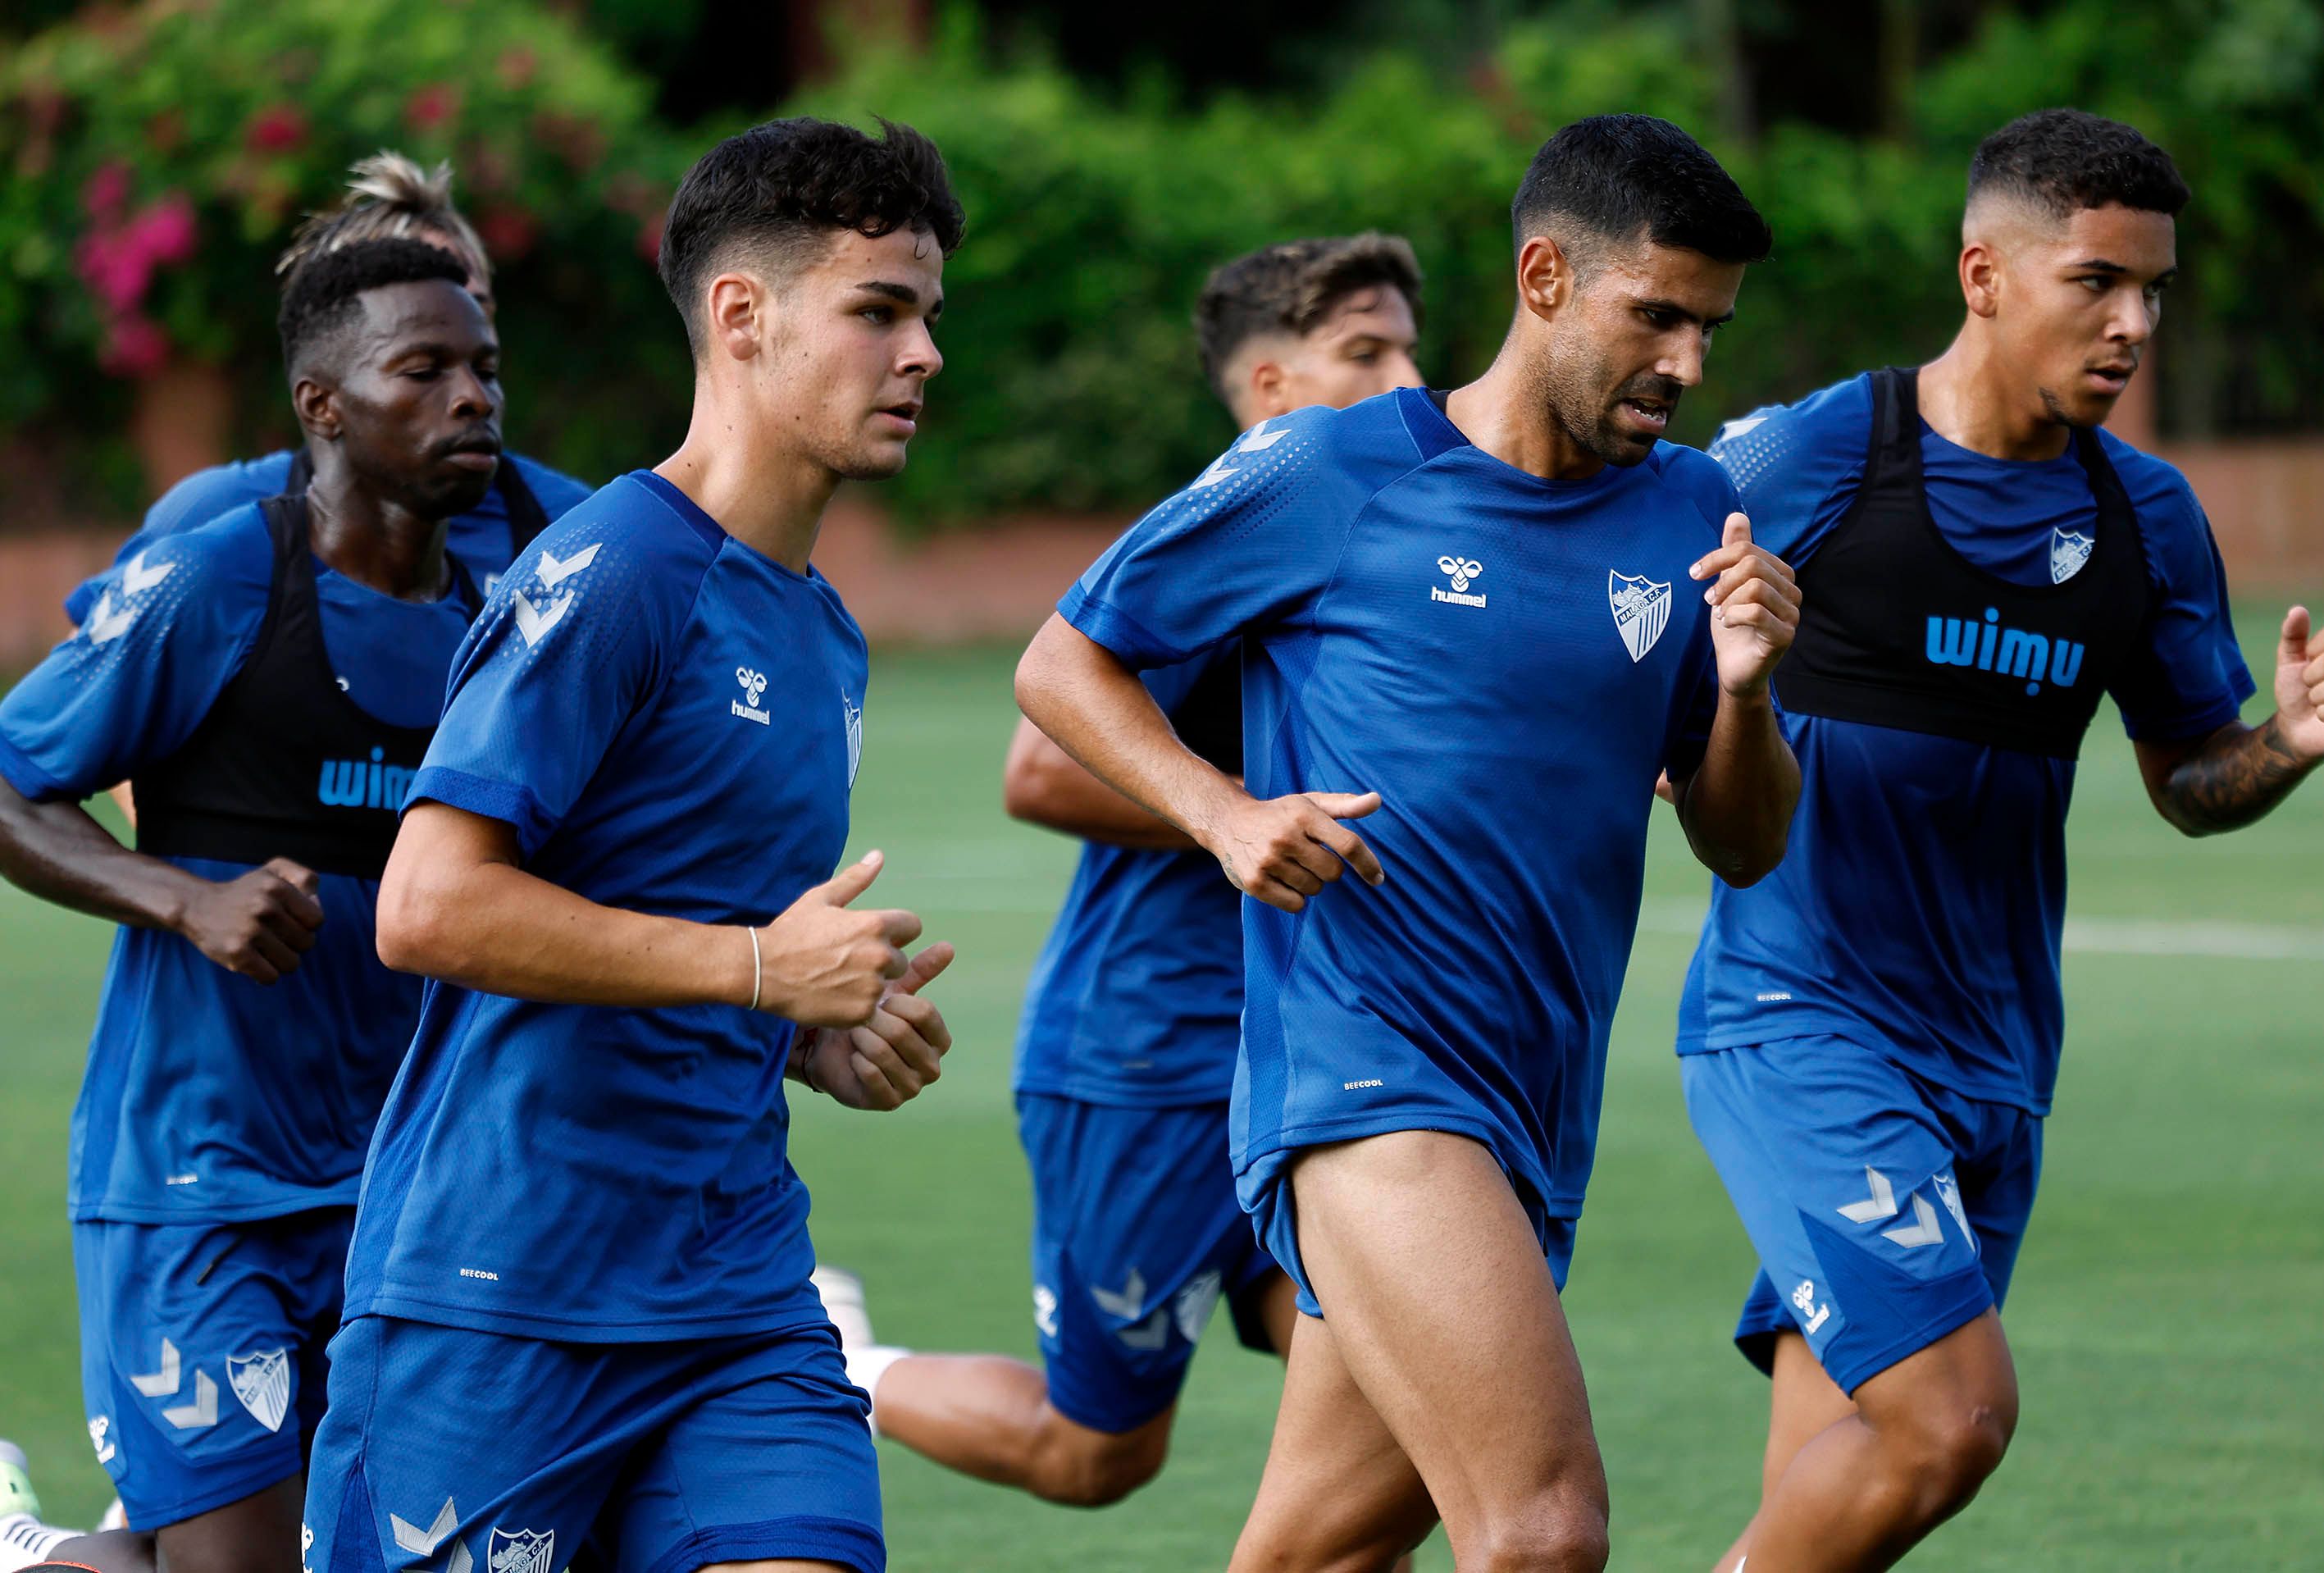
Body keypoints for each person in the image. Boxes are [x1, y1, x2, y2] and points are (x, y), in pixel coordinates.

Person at [1013, 115, 1801, 1573]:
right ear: (1547, 276)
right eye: (1659, 316)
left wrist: (1747, 693)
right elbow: (1063, 664)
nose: (1688, 366)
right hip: (1369, 1083)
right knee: (1545, 1528)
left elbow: (1742, 841)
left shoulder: (1695, 509)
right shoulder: (1325, 474)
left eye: (1709, 328)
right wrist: (1226, 812)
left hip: (1536, 1109)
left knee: (1316, 1553)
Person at [1681, 108, 2324, 1573]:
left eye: (2154, 292)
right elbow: (1627, 635)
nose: (2134, 325)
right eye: (2096, 282)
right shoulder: (1817, 457)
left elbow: (2190, 771)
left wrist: (2286, 748)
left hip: (2000, 1058)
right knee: (1953, 1419)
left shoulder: (2147, 519)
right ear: (1985, 274)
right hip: (1804, 1022)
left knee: (1853, 1479)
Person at [299, 117, 964, 1573]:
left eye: (926, 316)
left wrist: (812, 1032)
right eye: (878, 310)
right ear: (742, 315)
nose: (922, 354)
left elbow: (702, 934)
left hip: (735, 1297)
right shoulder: (615, 572)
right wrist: (754, 966)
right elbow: (428, 905)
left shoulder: (824, 632)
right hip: (499, 1297)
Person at [828, 233, 1424, 1509]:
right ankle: (839, 1359)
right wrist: (1243, 816)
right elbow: (1039, 771)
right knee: (1095, 1452)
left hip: (1309, 1055)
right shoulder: (1233, 529)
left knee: (1413, 1391)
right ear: (1271, 388)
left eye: (1411, 348)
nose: (1408, 378)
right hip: (1149, 1053)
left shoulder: (1394, 539)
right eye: (1366, 352)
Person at [0, 239, 506, 1573]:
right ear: (322, 406)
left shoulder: (507, 618)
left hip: (411, 1188)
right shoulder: (222, 574)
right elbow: (9, 776)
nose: (474, 396)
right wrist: (180, 895)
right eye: (427, 368)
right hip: (199, 1176)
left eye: (485, 366)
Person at [62, 152, 591, 628]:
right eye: (417, 332)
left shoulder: (575, 529)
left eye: (471, 306)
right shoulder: (215, 520)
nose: (454, 333)